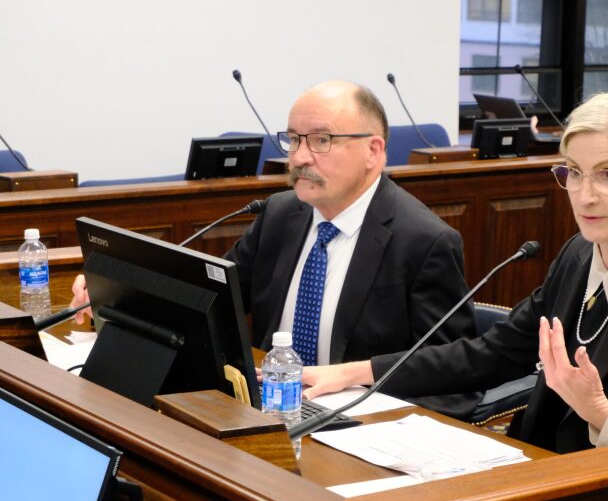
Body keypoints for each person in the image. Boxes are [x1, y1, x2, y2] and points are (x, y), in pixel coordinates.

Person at [303, 89, 608, 453]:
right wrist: (356, 373)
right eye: (573, 172)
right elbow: (491, 355)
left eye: (607, 174)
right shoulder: (577, 256)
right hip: (541, 472)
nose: (584, 195)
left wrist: (604, 416)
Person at [70, 80, 481, 418]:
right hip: (265, 407)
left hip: (356, 418)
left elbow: (451, 366)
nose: (299, 157)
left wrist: (359, 381)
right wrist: (116, 291)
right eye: (293, 140)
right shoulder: (281, 215)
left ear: (373, 151)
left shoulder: (423, 240)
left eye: (321, 140)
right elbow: (205, 301)